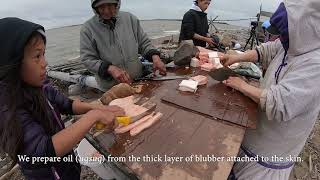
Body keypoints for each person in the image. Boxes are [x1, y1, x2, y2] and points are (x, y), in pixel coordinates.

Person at [0, 17, 125, 180]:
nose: (45, 63)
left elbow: (67, 104)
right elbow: (42, 151)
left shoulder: (39, 87)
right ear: (12, 62)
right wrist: (93, 116)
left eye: (44, 54)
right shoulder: (7, 106)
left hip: (67, 166)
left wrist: (99, 108)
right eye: (37, 56)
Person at [221, 1, 320, 179]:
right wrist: (235, 58)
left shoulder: (315, 64)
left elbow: (281, 104)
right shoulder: (291, 45)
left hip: (270, 155)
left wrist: (242, 85)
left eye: (285, 32)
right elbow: (267, 50)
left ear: (303, 28)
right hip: (256, 133)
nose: (282, 37)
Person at [81, 0, 167, 92]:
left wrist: (155, 57)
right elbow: (87, 59)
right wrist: (110, 68)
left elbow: (144, 43)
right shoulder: (88, 29)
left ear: (117, 4)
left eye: (110, 5)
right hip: (111, 88)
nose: (106, 11)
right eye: (101, 7)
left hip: (138, 81)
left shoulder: (130, 19)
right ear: (95, 8)